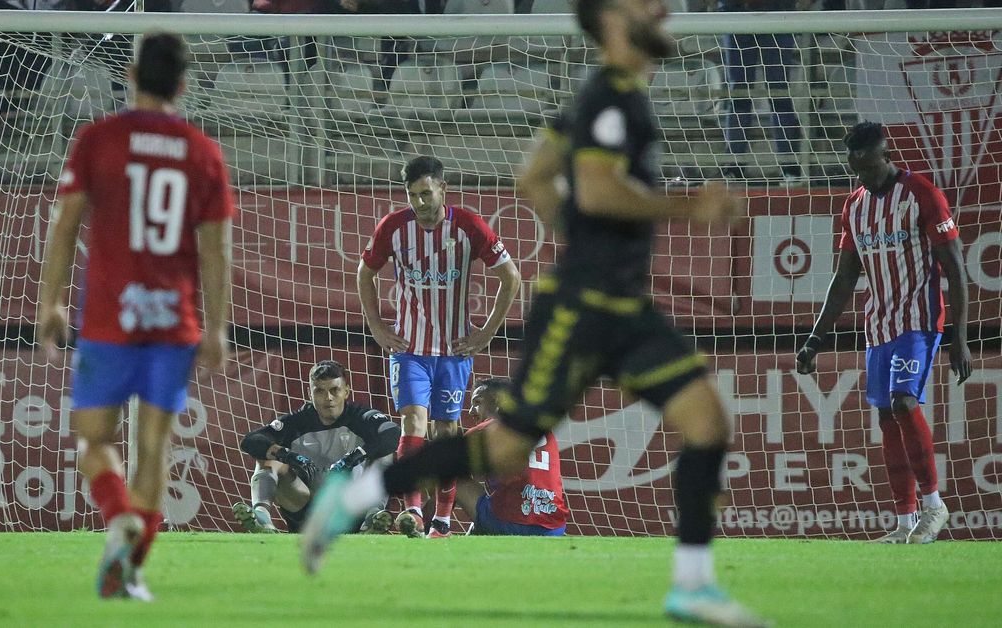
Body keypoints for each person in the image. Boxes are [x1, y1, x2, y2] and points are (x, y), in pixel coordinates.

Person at [304, 1, 767, 625]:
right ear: (610, 19)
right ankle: (357, 494)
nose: (662, 7)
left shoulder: (597, 98)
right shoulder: (611, 97)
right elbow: (597, 189)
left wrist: (586, 239)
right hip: (579, 309)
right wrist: (692, 207)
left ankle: (691, 585)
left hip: (622, 306)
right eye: (644, 2)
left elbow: (536, 177)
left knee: (707, 421)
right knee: (501, 452)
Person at [36, 32, 234, 601]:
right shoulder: (202, 152)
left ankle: (118, 518)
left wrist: (50, 301)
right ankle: (130, 565)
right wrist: (217, 325)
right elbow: (216, 251)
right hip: (173, 324)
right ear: (183, 83)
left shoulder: (98, 139)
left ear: (130, 74)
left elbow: (65, 223)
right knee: (155, 449)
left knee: (94, 440)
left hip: (108, 320)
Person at [796, 121, 972, 545]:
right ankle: (904, 522)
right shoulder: (854, 206)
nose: (863, 166)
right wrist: (815, 339)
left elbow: (955, 268)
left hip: (919, 319)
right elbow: (843, 280)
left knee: (903, 401)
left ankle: (934, 505)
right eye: (856, 160)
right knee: (886, 418)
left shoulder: (922, 194)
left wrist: (959, 337)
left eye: (870, 158)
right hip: (878, 326)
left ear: (883, 154)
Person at [358, 155, 521, 538]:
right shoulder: (394, 228)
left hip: (454, 349)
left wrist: (487, 333)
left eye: (426, 193)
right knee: (414, 422)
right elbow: (365, 273)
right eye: (413, 195)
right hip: (409, 347)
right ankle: (413, 511)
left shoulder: (468, 225)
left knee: (446, 431)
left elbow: (510, 277)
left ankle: (443, 521)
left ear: (442, 189)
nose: (419, 203)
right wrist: (378, 327)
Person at [234, 360, 401, 534]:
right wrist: (287, 455)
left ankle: (373, 518)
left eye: (334, 390)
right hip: (306, 511)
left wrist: (355, 456)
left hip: (352, 510)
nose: (328, 398)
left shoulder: (360, 417)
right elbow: (251, 441)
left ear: (346, 391)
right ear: (309, 393)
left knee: (384, 454)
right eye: (319, 391)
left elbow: (393, 433)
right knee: (268, 456)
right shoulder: (298, 421)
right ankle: (261, 517)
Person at [707, 0, 808, 184]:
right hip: (736, 12)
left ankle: (790, 169)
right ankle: (733, 168)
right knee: (738, 94)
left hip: (778, 12)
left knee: (779, 93)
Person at [455, 378, 567, 537]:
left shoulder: (485, 431)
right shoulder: (543, 430)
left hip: (509, 523)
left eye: (477, 402)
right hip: (554, 528)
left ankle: (431, 524)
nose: (471, 411)